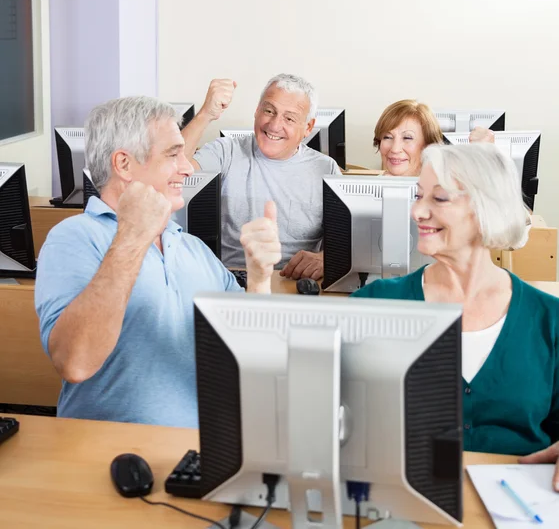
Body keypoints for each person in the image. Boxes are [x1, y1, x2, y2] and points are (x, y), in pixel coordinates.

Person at [35, 96, 281, 428]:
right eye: (172, 154)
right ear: (123, 165)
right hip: (110, 460)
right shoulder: (74, 237)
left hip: (196, 454)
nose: (186, 166)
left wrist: (259, 279)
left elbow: (253, 358)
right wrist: (133, 236)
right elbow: (75, 363)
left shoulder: (192, 247)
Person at [351, 143, 559, 488]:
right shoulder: (376, 304)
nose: (417, 211)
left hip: (525, 503)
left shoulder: (548, 318)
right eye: (418, 196)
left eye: (439, 198)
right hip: (405, 502)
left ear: (485, 209)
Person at [182, 73, 341, 281]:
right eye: (269, 111)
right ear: (256, 112)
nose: (274, 125)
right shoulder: (226, 152)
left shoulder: (325, 169)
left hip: (291, 283)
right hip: (229, 278)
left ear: (308, 128)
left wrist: (325, 258)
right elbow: (171, 170)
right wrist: (205, 114)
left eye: (289, 118)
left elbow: (346, 244)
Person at [373, 99, 495, 176]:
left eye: (408, 138)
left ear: (428, 145)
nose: (395, 149)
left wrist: (486, 153)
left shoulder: (448, 193)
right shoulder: (364, 194)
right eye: (387, 137)